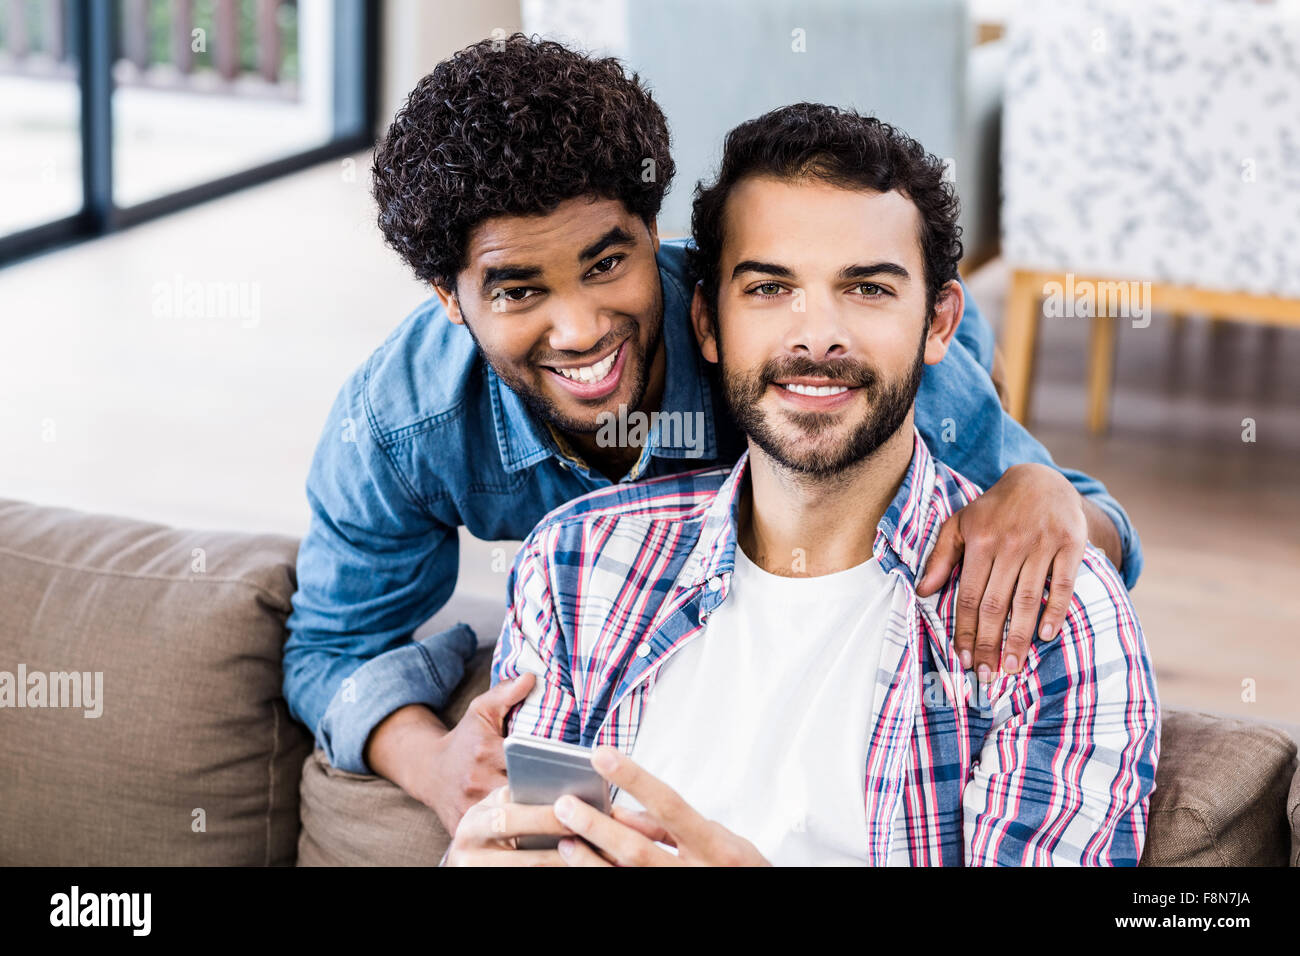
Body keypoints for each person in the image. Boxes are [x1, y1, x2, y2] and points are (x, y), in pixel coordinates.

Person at [283, 35, 1144, 840]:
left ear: (653, 237)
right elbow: (328, 647)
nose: (580, 329)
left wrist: (1045, 492)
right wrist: (430, 762)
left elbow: (1090, 545)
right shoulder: (408, 422)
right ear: (449, 296)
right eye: (516, 292)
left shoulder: (823, 355)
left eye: (606, 263)